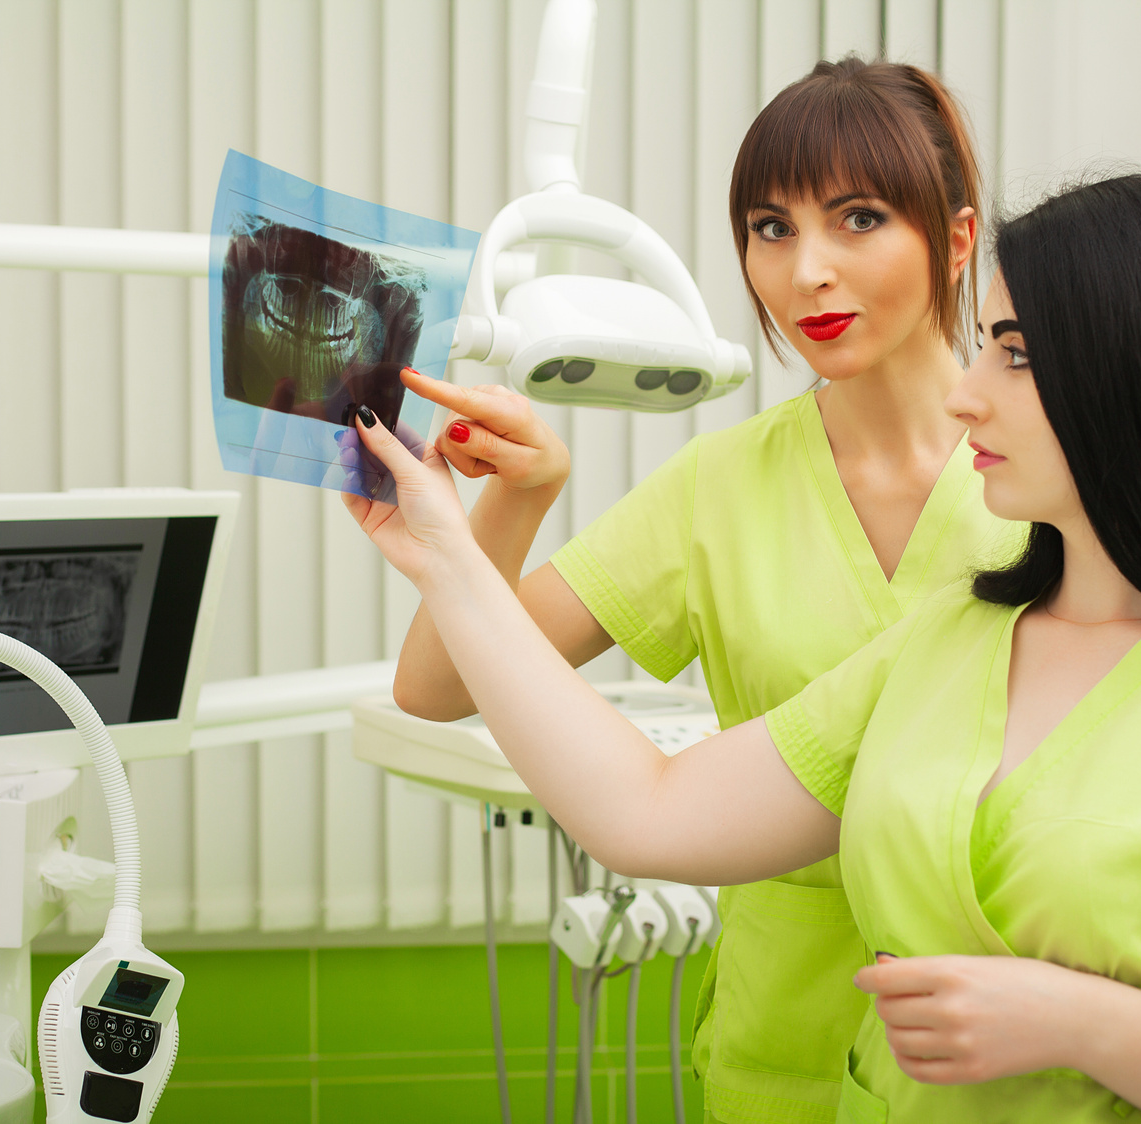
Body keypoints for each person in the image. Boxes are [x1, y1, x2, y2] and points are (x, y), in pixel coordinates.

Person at [344, 174, 1141, 1123]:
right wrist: (445, 553)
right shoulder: (949, 641)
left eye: (1014, 356)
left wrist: (1085, 1022)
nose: (968, 394)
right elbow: (647, 808)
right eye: (986, 345)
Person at [392, 57, 1016, 1123]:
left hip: (998, 1052)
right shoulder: (719, 488)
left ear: (955, 239)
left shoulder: (1040, 474)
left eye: (857, 218)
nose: (805, 271)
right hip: (777, 1055)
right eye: (770, 228)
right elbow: (437, 684)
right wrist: (515, 500)